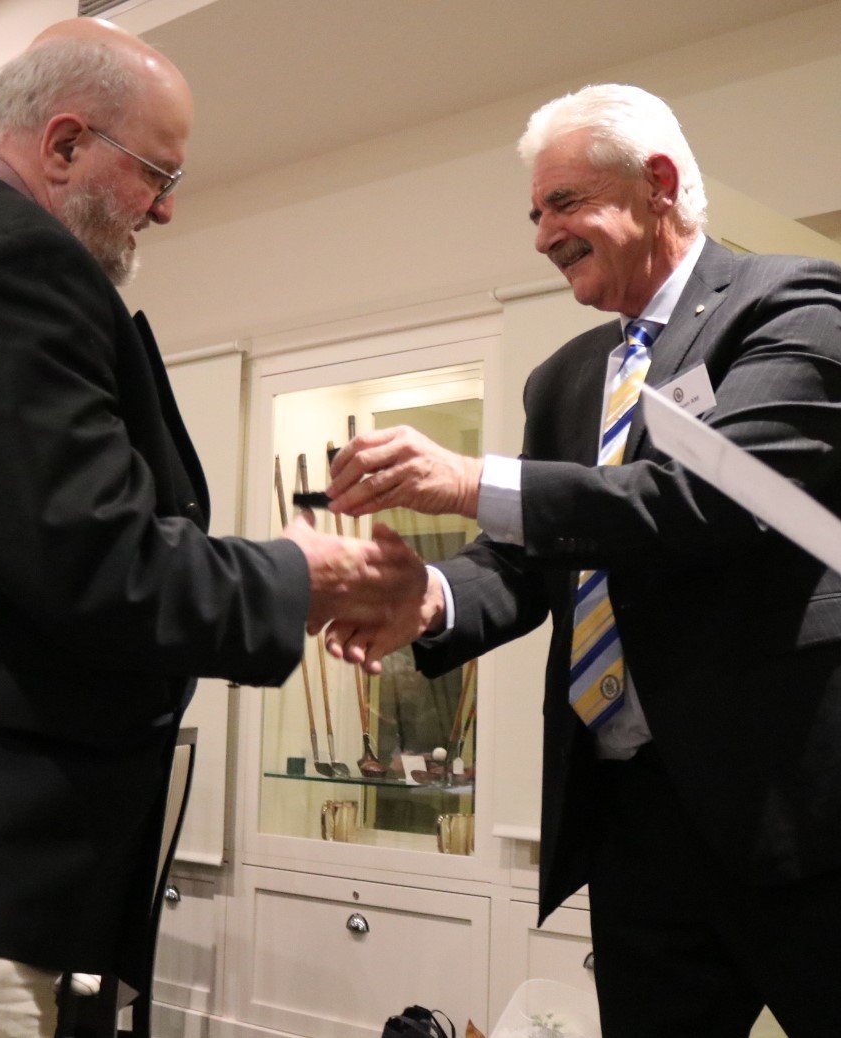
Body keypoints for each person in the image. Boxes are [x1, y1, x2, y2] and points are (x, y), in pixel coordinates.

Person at [0, 18, 424, 1038]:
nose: (165, 207)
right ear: (65, 143)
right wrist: (305, 573)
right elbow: (96, 562)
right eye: (157, 173)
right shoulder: (11, 257)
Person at [325, 84, 841, 1038]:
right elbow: (527, 559)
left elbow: (711, 499)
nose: (543, 236)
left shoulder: (795, 304)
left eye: (563, 203)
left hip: (798, 821)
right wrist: (430, 599)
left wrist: (469, 478)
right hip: (631, 822)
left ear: (657, 183)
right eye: (535, 213)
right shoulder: (562, 379)